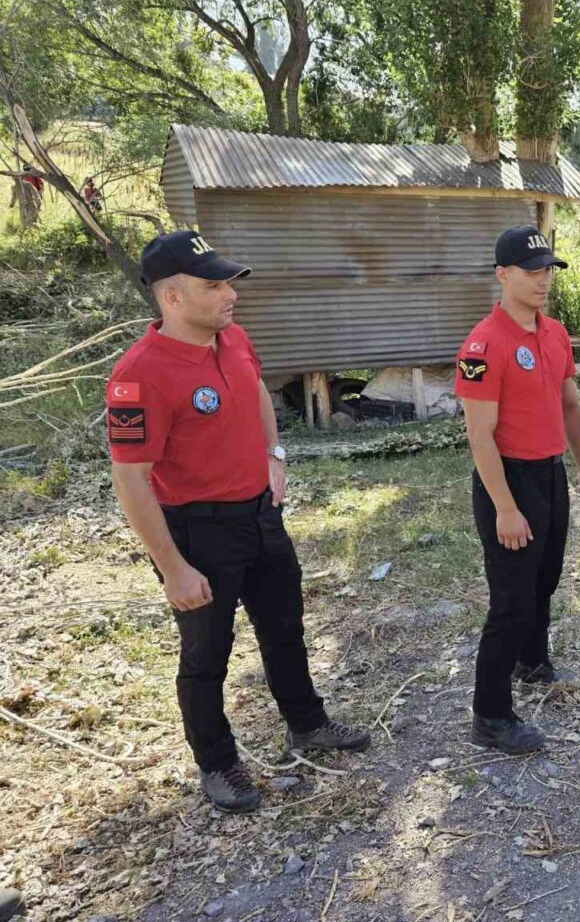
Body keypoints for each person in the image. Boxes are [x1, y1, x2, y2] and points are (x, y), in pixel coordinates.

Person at [107, 230, 370, 814]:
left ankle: (307, 725)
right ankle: (218, 763)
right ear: (171, 297)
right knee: (206, 656)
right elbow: (131, 480)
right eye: (214, 284)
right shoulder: (140, 374)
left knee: (284, 630)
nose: (230, 294)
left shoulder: (233, 339)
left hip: (259, 514)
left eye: (228, 281)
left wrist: (274, 458)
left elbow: (253, 391)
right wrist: (173, 568)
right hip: (198, 532)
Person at [454, 225, 580, 754]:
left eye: (547, 271)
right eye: (531, 272)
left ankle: (532, 659)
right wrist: (506, 508)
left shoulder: (554, 332)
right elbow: (479, 435)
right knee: (510, 600)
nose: (542, 281)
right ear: (502, 274)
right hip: (508, 478)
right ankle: (490, 715)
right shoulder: (482, 344)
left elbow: (570, 406)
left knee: (545, 577)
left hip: (550, 473)